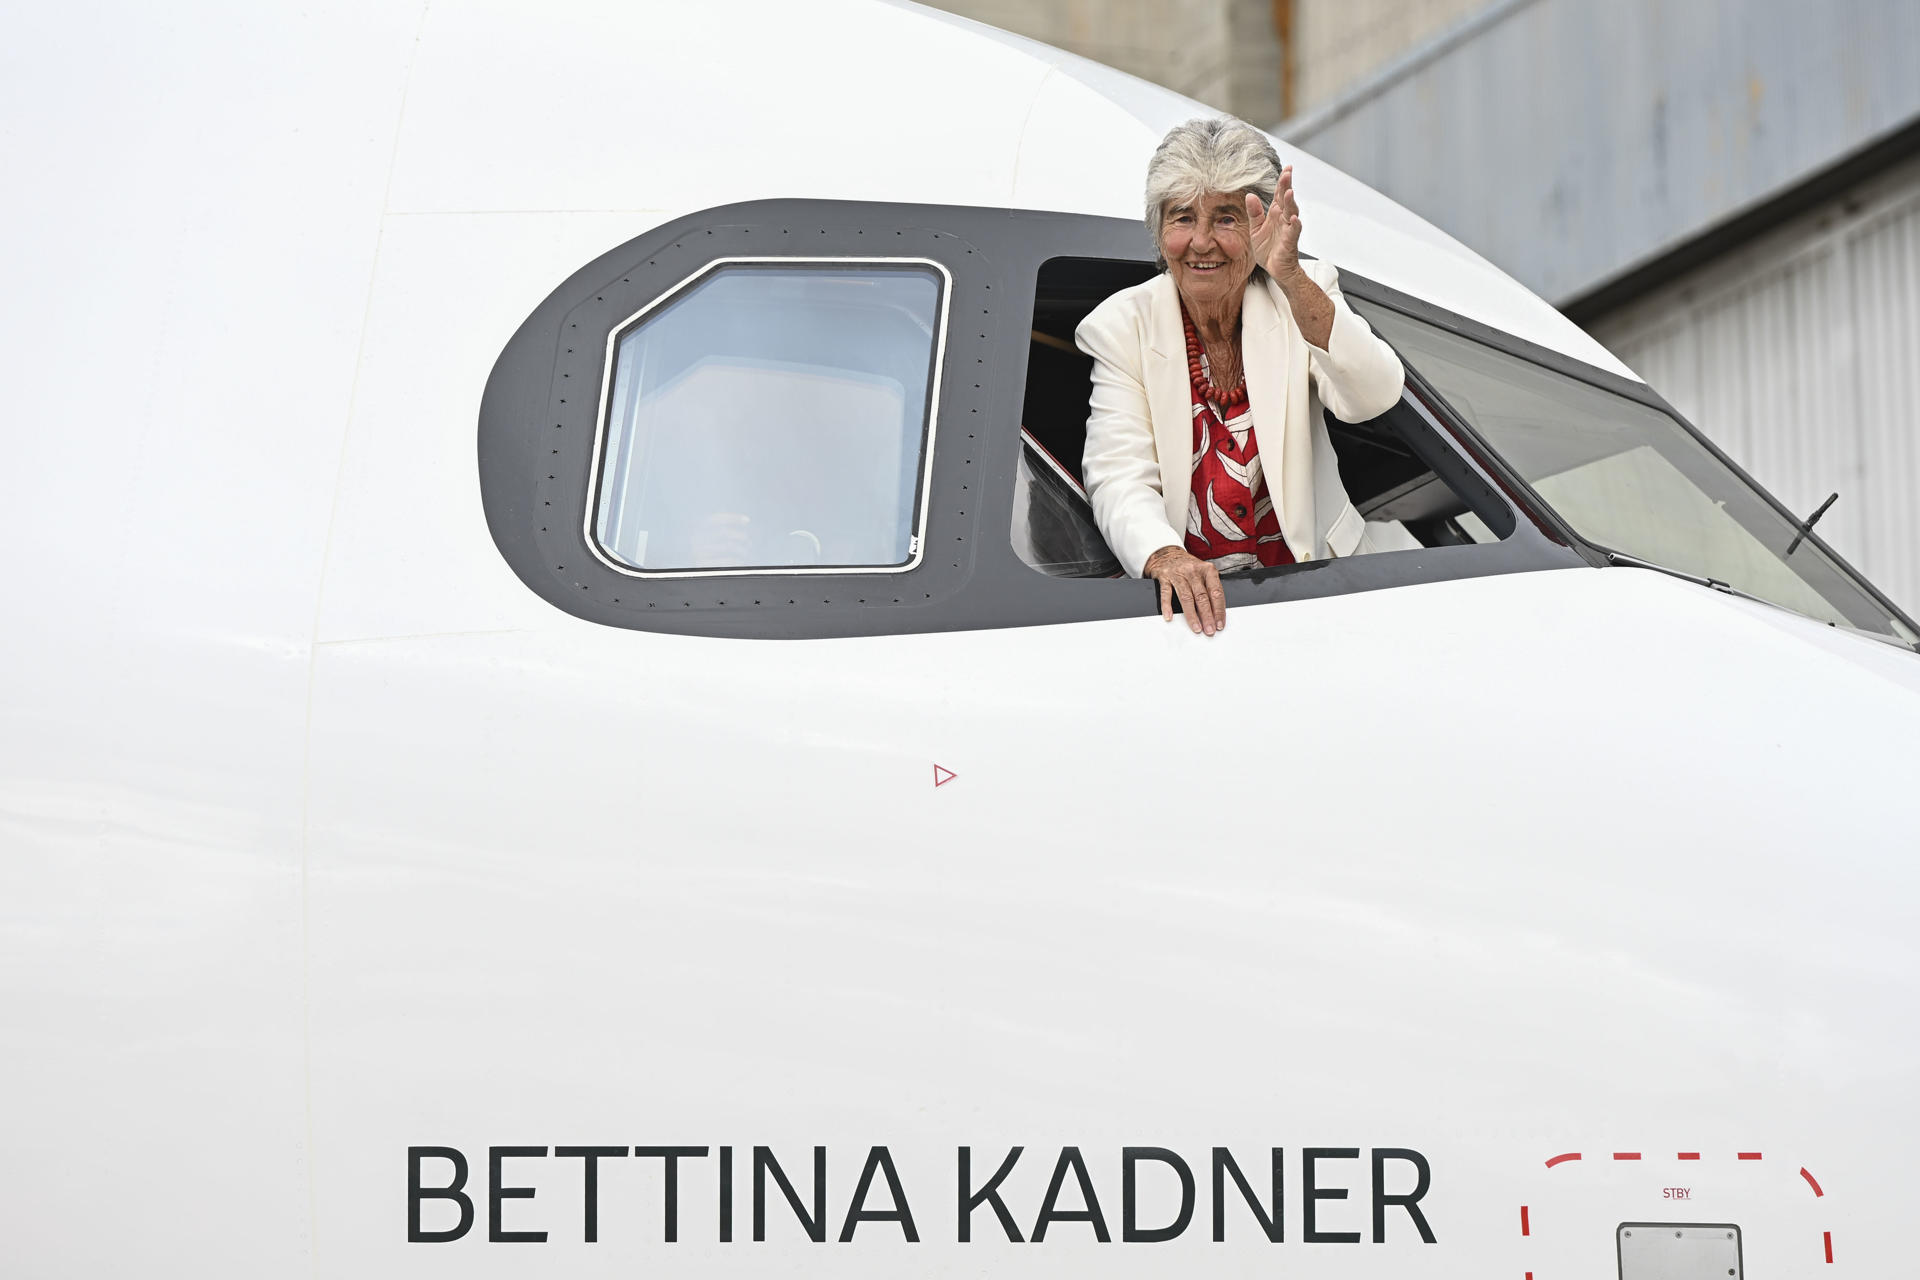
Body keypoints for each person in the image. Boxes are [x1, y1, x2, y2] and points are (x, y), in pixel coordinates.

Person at [1076, 117, 1406, 636]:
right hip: (1201, 616)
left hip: (1323, 588)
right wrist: (1164, 554)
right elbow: (1117, 473)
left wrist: (1290, 275)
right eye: (1182, 217)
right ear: (1159, 231)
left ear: (1259, 226)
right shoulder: (1124, 326)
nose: (1201, 242)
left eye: (1227, 219)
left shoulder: (1299, 290)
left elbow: (1374, 394)